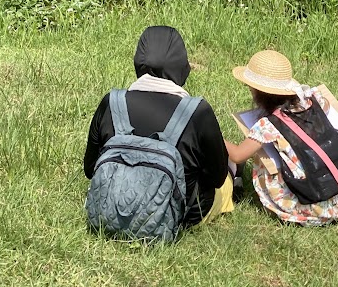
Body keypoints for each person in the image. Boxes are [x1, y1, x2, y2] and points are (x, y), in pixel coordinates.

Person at [83, 25, 232, 228]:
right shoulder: (198, 111)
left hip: (110, 210)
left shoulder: (112, 102)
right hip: (182, 216)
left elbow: (91, 169)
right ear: (181, 64)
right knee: (228, 181)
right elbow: (217, 178)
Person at [224, 49, 338, 226]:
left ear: (257, 92)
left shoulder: (267, 125)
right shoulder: (311, 100)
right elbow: (327, 104)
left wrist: (212, 135)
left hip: (309, 203)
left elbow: (238, 155)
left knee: (263, 159)